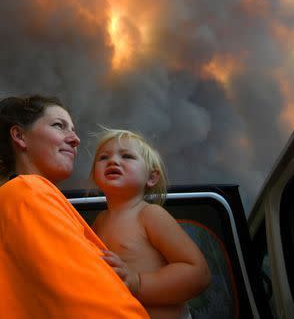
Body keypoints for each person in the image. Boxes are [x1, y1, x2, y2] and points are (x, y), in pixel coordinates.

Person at [0, 95, 148, 318]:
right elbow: (89, 305)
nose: (75, 139)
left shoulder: (17, 198)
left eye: (73, 129)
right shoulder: (28, 193)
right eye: (59, 126)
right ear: (20, 136)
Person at [90, 128, 211, 319]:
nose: (113, 160)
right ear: (94, 175)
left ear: (151, 177)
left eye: (127, 156)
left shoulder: (150, 215)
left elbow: (198, 273)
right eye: (103, 157)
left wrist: (138, 282)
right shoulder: (99, 222)